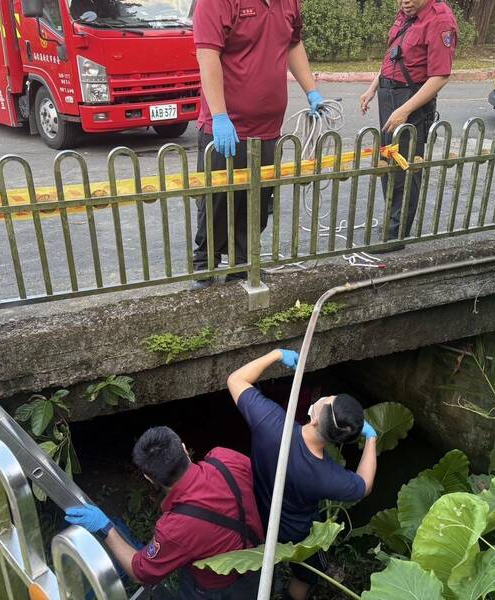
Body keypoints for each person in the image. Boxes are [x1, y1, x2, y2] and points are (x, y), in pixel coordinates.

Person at [191, 0, 324, 288]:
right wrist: (220, 116)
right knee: (217, 202)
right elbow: (208, 55)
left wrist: (312, 91)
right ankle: (205, 267)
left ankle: (243, 265)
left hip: (268, 130)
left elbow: (293, 44)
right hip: (226, 128)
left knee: (257, 203)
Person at [227, 350, 378, 600]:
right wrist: (371, 439)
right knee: (307, 574)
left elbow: (235, 380)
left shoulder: (271, 424)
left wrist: (275, 355)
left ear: (316, 419)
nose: (326, 396)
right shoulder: (329, 476)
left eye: (328, 399)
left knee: (258, 562)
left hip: (255, 516)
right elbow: (364, 484)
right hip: (299, 536)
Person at [65, 426, 264, 599]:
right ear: (184, 449)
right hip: (259, 561)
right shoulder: (226, 459)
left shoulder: (175, 529)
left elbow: (139, 571)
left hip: (216, 589)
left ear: (149, 478)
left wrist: (105, 527)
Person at [359, 0, 458, 245]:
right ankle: (391, 222)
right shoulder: (406, 12)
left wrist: (404, 110)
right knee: (388, 160)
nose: (405, 1)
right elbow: (395, 55)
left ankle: (396, 233)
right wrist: (373, 88)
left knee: (406, 166)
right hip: (389, 95)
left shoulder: (440, 20)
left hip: (410, 100)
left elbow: (440, 76)